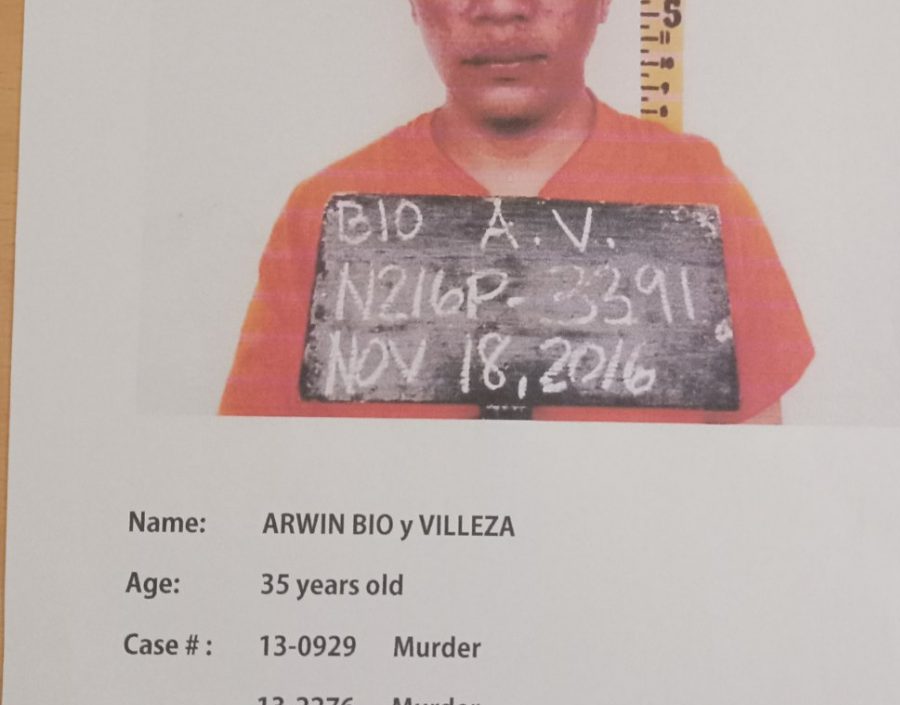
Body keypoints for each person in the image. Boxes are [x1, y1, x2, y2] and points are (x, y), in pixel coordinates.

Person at [221, 0, 813, 424]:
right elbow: (254, 483)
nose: (502, 10)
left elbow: (754, 497)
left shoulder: (698, 189)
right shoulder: (323, 214)